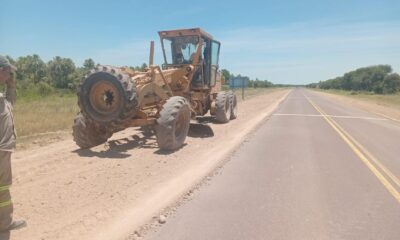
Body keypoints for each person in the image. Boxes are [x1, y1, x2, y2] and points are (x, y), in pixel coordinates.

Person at [0, 55, 26, 233]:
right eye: (8, 72)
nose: (10, 75)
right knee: (2, 189)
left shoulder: (1, 96)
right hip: (1, 151)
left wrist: (11, 86)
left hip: (4, 149)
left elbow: (11, 103)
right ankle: (4, 224)